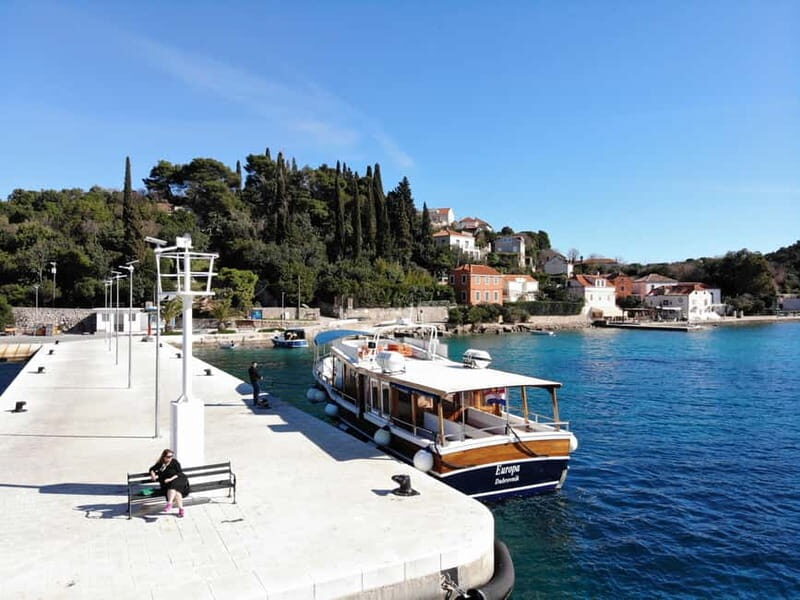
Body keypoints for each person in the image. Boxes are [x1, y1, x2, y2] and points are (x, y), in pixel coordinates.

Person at [149, 449, 190, 517]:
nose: (170, 458)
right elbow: (152, 469)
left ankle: (169, 503)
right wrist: (153, 474)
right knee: (176, 492)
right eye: (168, 456)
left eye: (171, 456)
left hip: (179, 479)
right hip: (168, 484)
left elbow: (179, 473)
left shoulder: (174, 462)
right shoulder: (160, 464)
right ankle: (181, 509)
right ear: (164, 457)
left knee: (173, 486)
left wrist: (170, 479)